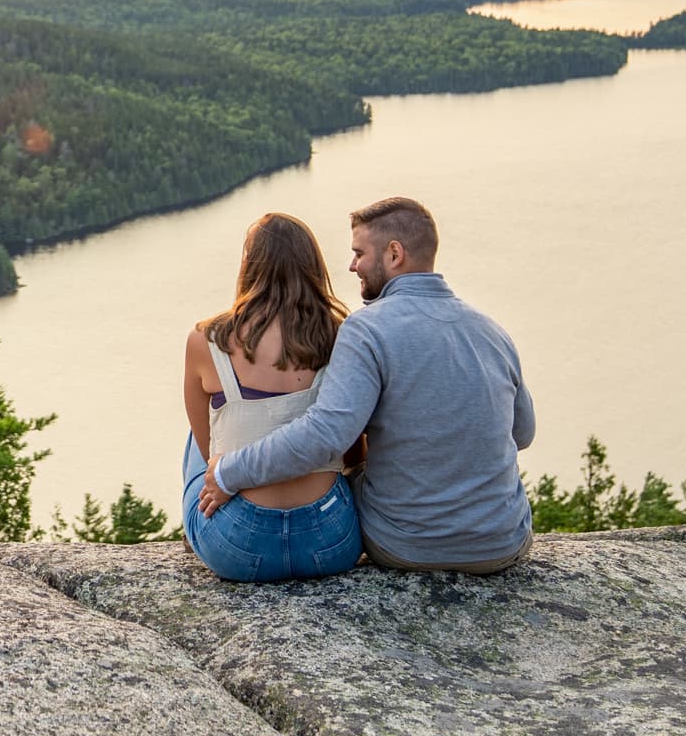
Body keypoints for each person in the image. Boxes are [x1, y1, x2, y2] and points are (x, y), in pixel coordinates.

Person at [199, 196, 536, 573]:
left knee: (224, 422)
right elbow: (522, 434)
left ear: (394, 254)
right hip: (502, 543)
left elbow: (326, 436)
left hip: (404, 545)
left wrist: (229, 471)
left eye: (359, 253)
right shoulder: (493, 332)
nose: (352, 265)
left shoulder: (367, 329)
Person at [178, 211, 363, 581]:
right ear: (312, 265)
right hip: (329, 542)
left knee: (199, 445)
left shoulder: (206, 340)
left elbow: (207, 450)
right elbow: (354, 451)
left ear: (249, 265)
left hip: (238, 548)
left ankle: (196, 531)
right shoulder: (341, 336)